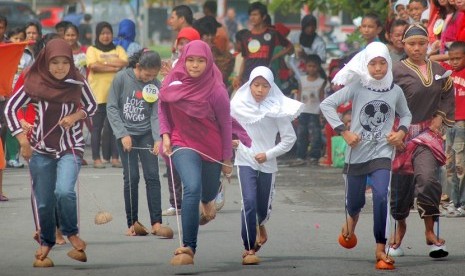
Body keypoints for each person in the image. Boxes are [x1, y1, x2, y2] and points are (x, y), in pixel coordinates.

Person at [5, 38, 97, 265]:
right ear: (45, 62)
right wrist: (22, 141)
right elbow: (10, 108)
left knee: (64, 191)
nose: (59, 67)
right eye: (54, 62)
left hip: (71, 147)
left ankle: (71, 232)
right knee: (44, 201)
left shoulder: (77, 82)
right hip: (41, 149)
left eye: (65, 62)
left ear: (71, 63)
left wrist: (77, 116)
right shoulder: (35, 83)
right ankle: (46, 241)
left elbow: (92, 106)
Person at [320, 41, 412, 268]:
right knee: (355, 201)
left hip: (382, 152)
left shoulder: (395, 91)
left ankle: (381, 246)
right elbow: (326, 104)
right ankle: (352, 217)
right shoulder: (357, 87)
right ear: (366, 65)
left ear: (389, 64)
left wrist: (400, 133)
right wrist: (344, 132)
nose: (378, 68)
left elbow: (407, 115)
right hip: (356, 154)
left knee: (381, 194)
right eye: (373, 64)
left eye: (382, 63)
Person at [158, 40, 233, 263]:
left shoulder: (217, 91)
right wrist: (165, 134)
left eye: (201, 61)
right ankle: (188, 246)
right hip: (182, 142)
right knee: (192, 186)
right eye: (190, 60)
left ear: (208, 62)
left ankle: (209, 198)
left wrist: (227, 158)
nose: (194, 65)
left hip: (211, 148)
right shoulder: (173, 79)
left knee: (207, 192)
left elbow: (226, 124)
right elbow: (162, 105)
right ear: (183, 60)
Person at [388, 24, 455, 259]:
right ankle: (398, 234)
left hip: (426, 136)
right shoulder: (394, 71)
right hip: (401, 138)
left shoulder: (439, 70)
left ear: (428, 44)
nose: (417, 48)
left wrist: (439, 117)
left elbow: (448, 91)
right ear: (403, 45)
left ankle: (430, 234)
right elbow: (382, 101)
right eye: (411, 44)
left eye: (421, 43)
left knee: (427, 181)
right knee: (400, 190)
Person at [231, 66, 303, 264]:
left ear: (271, 88)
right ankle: (249, 248)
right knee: (249, 202)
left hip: (268, 164)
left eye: (265, 86)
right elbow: (227, 127)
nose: (260, 90)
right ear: (249, 85)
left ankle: (260, 224)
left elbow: (289, 139)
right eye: (256, 85)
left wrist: (269, 154)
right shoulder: (237, 104)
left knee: (261, 208)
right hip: (245, 160)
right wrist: (234, 141)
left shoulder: (277, 109)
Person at [106, 49, 173, 236]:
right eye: (146, 74)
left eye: (153, 75)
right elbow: (112, 107)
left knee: (152, 175)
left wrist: (157, 138)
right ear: (138, 67)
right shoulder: (121, 78)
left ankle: (156, 223)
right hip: (125, 134)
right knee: (132, 177)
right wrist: (122, 134)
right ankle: (132, 223)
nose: (149, 78)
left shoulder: (155, 85)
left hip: (146, 135)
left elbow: (155, 114)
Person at [86, 21, 128, 168]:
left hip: (116, 95)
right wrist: (112, 64)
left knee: (115, 127)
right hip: (97, 95)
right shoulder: (92, 49)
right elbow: (93, 65)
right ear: (98, 35)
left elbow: (124, 62)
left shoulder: (119, 48)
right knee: (96, 128)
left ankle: (115, 158)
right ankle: (97, 158)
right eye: (103, 33)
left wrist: (102, 63)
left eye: (108, 33)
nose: (106, 36)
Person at [235, 2, 293, 86]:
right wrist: (239, 77)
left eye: (255, 15)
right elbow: (245, 59)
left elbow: (290, 47)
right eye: (251, 15)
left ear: (264, 16)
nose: (252, 17)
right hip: (248, 78)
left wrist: (273, 57)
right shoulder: (246, 36)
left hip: (265, 77)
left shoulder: (272, 33)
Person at [441, 41, 465, 216]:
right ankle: (453, 201)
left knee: (461, 165)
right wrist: (447, 57)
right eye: (452, 58)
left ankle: (462, 203)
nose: (454, 62)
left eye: (458, 58)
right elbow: (431, 58)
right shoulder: (447, 73)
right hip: (448, 122)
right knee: (449, 164)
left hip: (462, 123)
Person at [290, 55, 327, 166]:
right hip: (303, 112)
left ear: (318, 67)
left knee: (315, 135)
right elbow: (299, 96)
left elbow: (321, 97)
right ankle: (300, 156)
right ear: (306, 67)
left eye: (314, 66)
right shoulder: (302, 80)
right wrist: (296, 111)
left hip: (315, 112)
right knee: (301, 134)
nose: (311, 68)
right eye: (309, 66)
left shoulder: (321, 82)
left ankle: (313, 156)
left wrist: (322, 113)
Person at [289, 14, 327, 79]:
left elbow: (322, 59)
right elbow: (290, 54)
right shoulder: (295, 37)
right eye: (308, 26)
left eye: (313, 26)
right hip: (295, 72)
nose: (311, 29)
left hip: (311, 76)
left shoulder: (319, 42)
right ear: (304, 26)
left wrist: (306, 56)